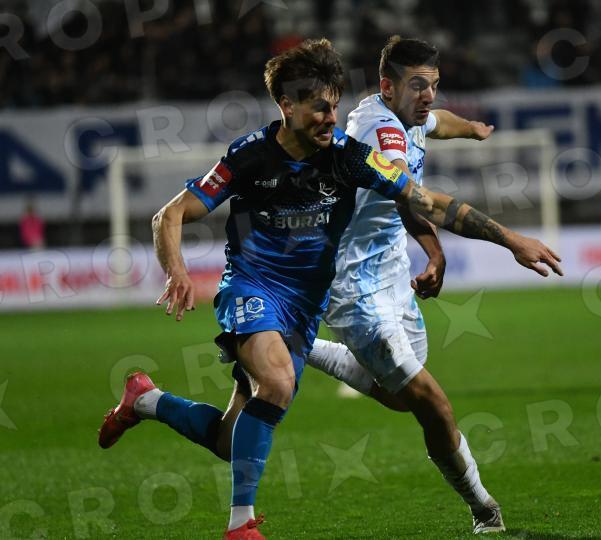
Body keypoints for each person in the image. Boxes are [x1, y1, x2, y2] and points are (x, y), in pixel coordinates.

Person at [98, 38, 562, 540]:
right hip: (254, 287)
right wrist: (176, 271)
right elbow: (169, 215)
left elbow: (426, 201)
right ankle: (241, 525)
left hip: (305, 306)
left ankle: (145, 400)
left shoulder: (347, 157)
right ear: (286, 105)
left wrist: (509, 238)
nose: (330, 118)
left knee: (231, 441)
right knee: (283, 386)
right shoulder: (249, 156)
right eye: (319, 107)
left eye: (334, 106)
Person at [302, 35, 508, 534]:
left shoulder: (414, 114)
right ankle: (484, 508)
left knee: (398, 396)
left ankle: (298, 343)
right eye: (418, 86)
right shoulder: (379, 130)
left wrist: (472, 130)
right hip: (353, 287)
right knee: (432, 404)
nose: (429, 96)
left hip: (393, 274)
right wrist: (511, 241)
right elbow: (409, 192)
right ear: (387, 86)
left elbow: (440, 123)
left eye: (433, 85)